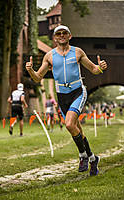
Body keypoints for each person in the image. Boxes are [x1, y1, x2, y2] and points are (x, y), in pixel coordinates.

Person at [25, 25, 107, 176]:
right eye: (58, 34)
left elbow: (93, 69)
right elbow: (37, 78)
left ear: (70, 36)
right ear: (55, 38)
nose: (61, 35)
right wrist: (30, 70)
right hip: (62, 95)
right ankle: (93, 158)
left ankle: (82, 155)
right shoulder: (49, 56)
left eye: (64, 33)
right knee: (76, 130)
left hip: (77, 92)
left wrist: (100, 67)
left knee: (69, 124)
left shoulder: (78, 52)